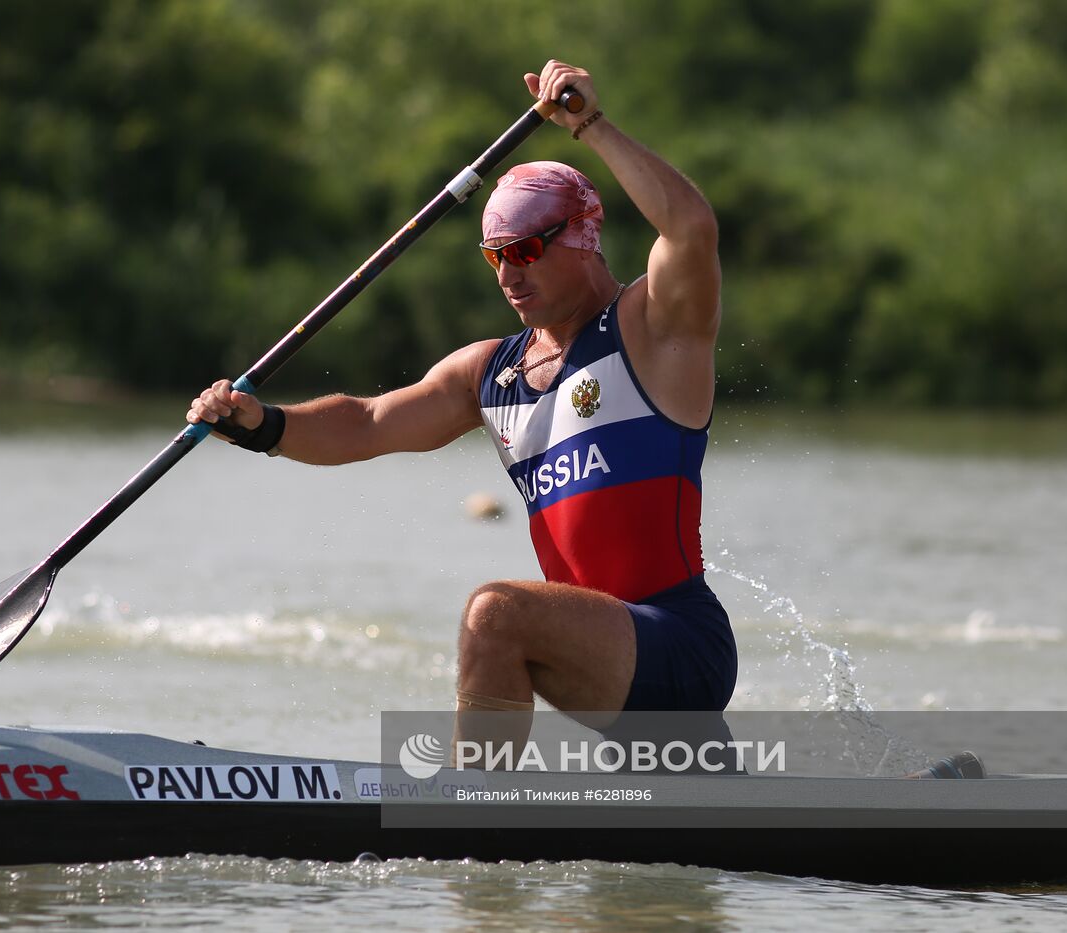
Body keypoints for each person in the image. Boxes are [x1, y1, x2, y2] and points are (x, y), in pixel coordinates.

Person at [187, 61, 735, 746]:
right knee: (501, 623)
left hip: (680, 641)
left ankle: (471, 817)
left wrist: (590, 125)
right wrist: (259, 424)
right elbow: (365, 422)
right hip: (595, 644)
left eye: (528, 249)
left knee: (496, 612)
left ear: (583, 235)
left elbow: (690, 232)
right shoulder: (491, 372)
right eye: (494, 255)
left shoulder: (651, 331)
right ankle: (515, 816)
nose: (509, 274)